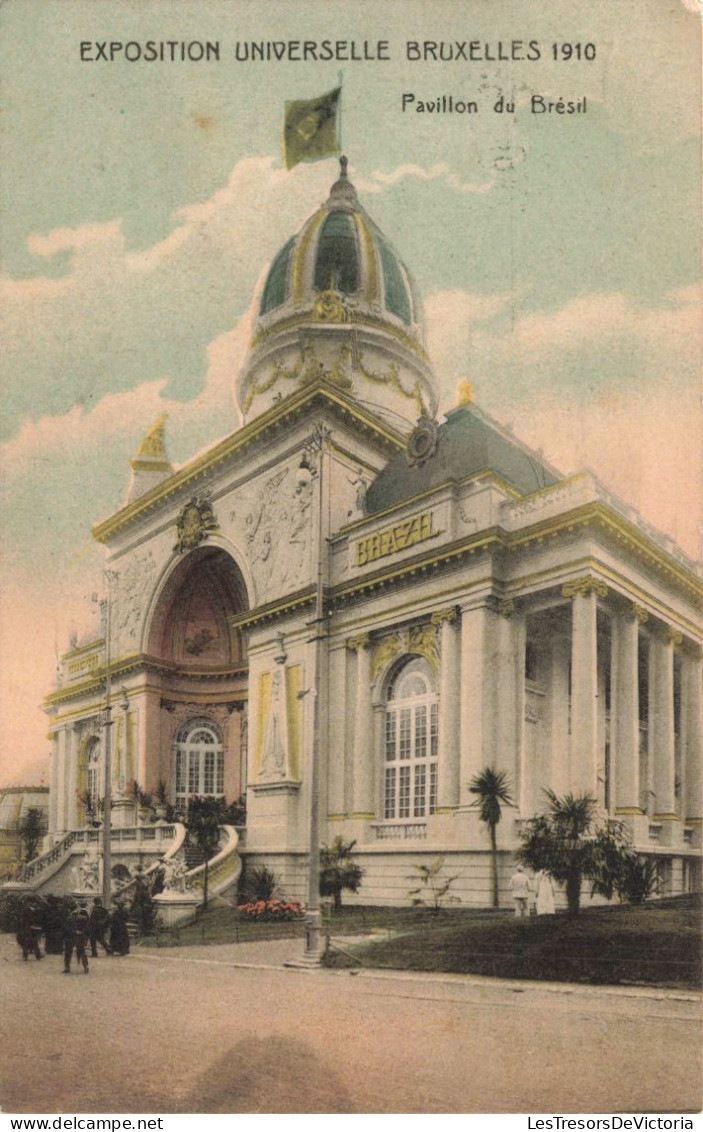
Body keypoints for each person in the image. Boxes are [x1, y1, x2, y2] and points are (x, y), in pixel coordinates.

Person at [63, 905, 90, 974]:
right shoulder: (83, 918)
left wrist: (73, 932)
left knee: (68, 952)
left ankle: (67, 967)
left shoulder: (69, 918)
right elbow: (87, 928)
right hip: (80, 936)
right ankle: (85, 966)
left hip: (70, 936)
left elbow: (66, 929)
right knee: (82, 951)